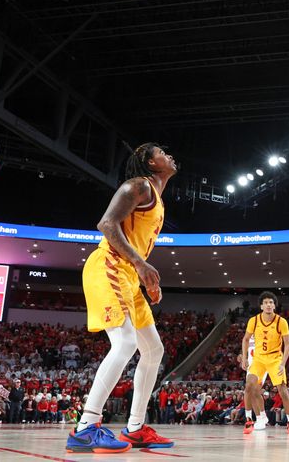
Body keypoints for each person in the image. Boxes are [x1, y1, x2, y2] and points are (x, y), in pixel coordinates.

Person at [66, 143, 176, 454]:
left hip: (129, 276)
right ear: (149, 162)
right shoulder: (138, 185)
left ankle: (136, 428)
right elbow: (106, 224)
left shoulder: (157, 197)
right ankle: (86, 427)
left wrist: (142, 275)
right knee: (126, 343)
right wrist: (141, 264)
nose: (168, 155)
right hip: (110, 266)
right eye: (161, 152)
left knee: (154, 350)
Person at [240, 292, 289, 435]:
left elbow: (288, 344)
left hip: (275, 358)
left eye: (271, 302)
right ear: (261, 306)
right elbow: (245, 339)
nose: (268, 305)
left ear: (274, 305)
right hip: (258, 358)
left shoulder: (281, 321)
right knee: (249, 386)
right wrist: (245, 358)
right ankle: (248, 420)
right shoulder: (254, 320)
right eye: (265, 302)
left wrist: (283, 363)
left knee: (282, 390)